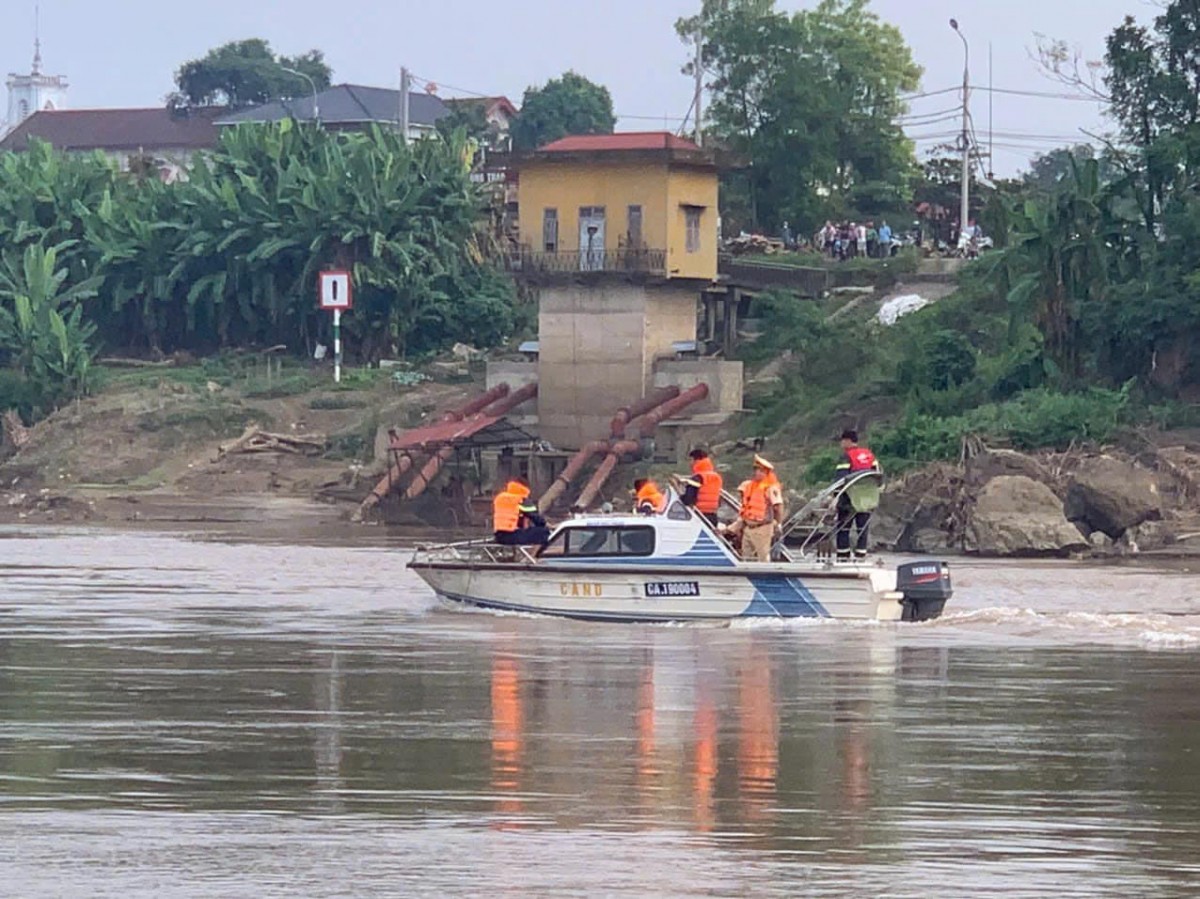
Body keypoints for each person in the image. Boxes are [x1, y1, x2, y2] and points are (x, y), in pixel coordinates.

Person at [726, 455, 784, 562]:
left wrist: (778, 524)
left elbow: (778, 507)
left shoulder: (771, 488)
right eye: (756, 470)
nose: (756, 473)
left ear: (766, 473)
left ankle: (765, 576)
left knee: (763, 556)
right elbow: (746, 509)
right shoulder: (750, 486)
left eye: (760, 470)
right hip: (748, 527)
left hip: (763, 527)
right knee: (746, 555)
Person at [833, 430, 880, 562]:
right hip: (867, 499)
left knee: (843, 528)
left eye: (842, 441)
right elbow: (877, 475)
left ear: (847, 441)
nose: (841, 444)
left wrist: (835, 497)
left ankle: (843, 558)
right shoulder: (869, 455)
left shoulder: (847, 456)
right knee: (862, 528)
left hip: (849, 499)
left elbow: (840, 479)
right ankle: (861, 557)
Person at [493, 480, 550, 546]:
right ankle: (538, 553)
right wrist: (546, 524)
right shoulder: (521, 499)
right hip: (512, 536)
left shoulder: (500, 497)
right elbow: (536, 518)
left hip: (499, 536)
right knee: (544, 532)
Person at [687, 448, 724, 527]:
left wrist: (680, 498)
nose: (689, 463)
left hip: (699, 515)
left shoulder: (697, 477)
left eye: (691, 460)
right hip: (713, 516)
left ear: (696, 461)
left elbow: (688, 499)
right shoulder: (717, 477)